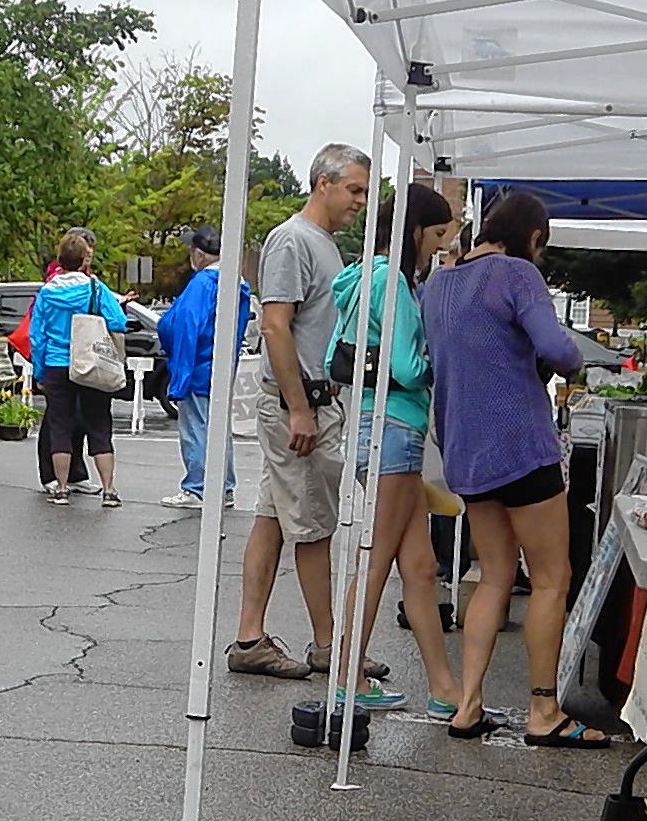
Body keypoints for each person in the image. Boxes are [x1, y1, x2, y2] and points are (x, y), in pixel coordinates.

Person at [420, 190, 601, 746]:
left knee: (494, 575)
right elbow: (559, 350)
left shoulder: (438, 284)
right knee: (550, 578)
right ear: (534, 236)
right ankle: (544, 711)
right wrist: (570, 356)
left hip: (467, 450)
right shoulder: (518, 275)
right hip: (521, 447)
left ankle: (468, 704)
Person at [228, 143, 374, 680]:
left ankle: (250, 638)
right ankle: (328, 645)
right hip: (300, 405)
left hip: (311, 402)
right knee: (313, 526)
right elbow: (275, 325)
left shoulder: (323, 244)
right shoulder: (292, 240)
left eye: (364, 192)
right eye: (354, 189)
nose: (360, 201)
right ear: (322, 183)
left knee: (273, 517)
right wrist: (298, 408)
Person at [328, 183, 465, 715]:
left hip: (375, 427)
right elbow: (407, 366)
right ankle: (348, 673)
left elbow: (337, 355)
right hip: (395, 429)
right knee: (379, 557)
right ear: (415, 231)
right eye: (437, 234)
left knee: (419, 565)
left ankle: (443, 688)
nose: (439, 246)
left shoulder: (362, 277)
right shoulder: (394, 282)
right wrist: (439, 362)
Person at [28, 228, 131, 506]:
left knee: (60, 427)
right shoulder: (95, 289)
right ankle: (109, 490)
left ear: (60, 259)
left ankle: (61, 488)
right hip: (90, 363)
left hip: (56, 364)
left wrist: (40, 371)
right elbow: (118, 322)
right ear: (84, 258)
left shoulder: (47, 293)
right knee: (99, 425)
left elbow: (37, 336)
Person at [158, 226, 251, 509]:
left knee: (196, 427)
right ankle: (224, 487)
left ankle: (197, 487)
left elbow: (186, 325)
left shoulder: (202, 283)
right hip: (220, 364)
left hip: (198, 365)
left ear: (199, 254)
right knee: (218, 428)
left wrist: (181, 373)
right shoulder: (236, 282)